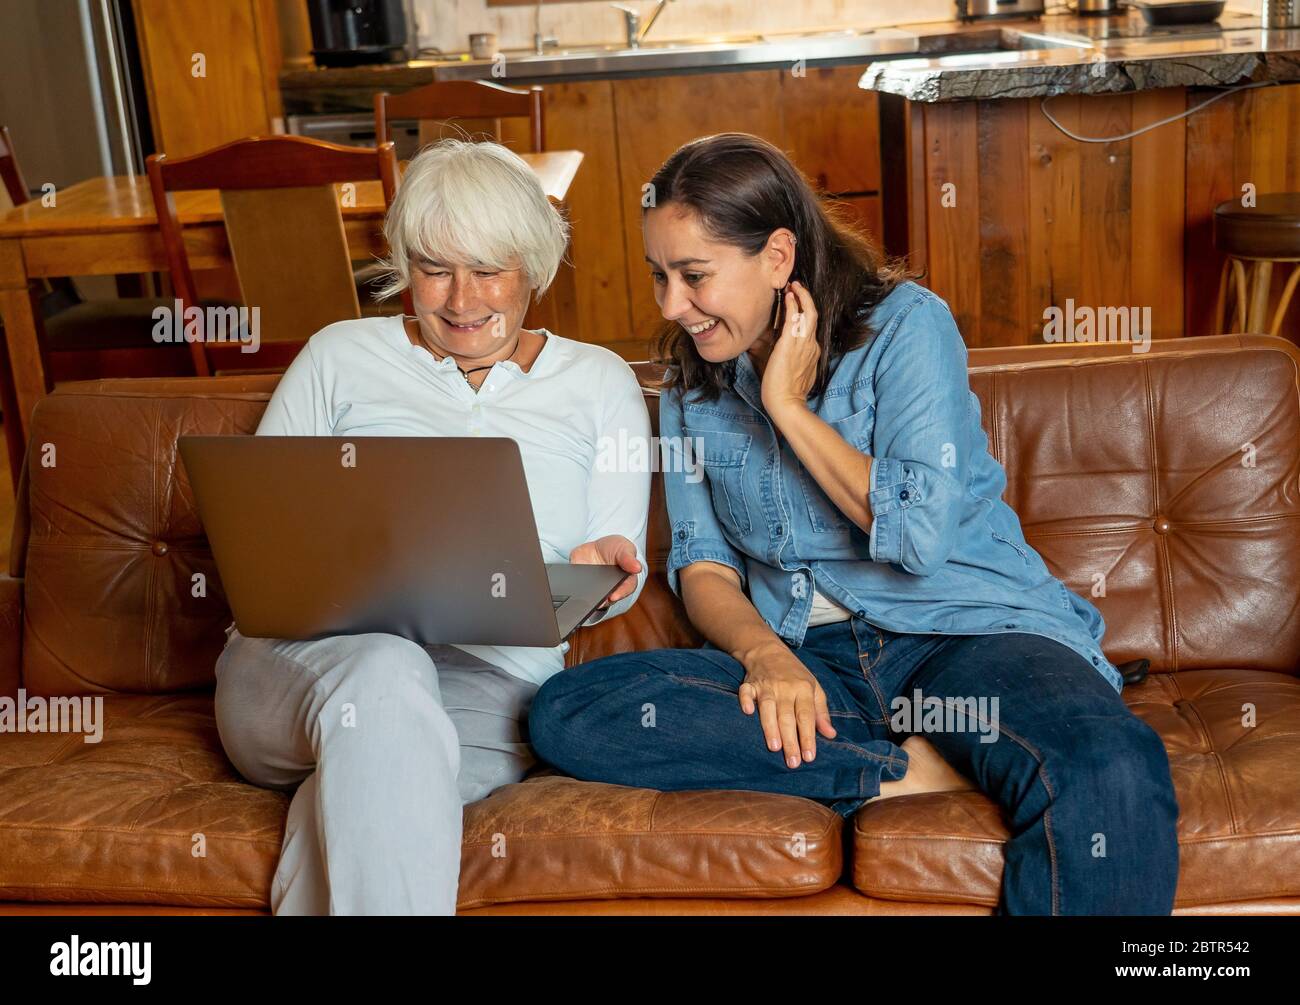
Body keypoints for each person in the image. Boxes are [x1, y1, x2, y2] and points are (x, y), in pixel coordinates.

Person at [528, 132, 1180, 915]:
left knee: (1108, 764)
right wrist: (766, 656)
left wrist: (786, 407)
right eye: (660, 277)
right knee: (569, 711)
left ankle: (911, 751)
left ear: (777, 257)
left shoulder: (906, 328)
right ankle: (895, 769)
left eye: (694, 276)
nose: (672, 306)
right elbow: (703, 565)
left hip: (962, 638)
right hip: (814, 666)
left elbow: (916, 536)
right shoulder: (691, 385)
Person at [212, 139, 650, 915]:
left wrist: (603, 571)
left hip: (488, 686)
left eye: (488, 270)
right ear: (403, 264)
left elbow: (607, 572)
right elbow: (260, 534)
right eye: (434, 267)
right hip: (297, 664)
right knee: (386, 671)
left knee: (370, 793)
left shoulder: (599, 383)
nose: (460, 298)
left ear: (535, 268)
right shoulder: (338, 357)